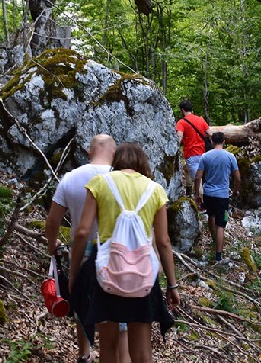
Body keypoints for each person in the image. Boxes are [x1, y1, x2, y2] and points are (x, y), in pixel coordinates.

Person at [69, 143, 180, 363]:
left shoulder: (100, 183)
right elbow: (164, 242)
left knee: (108, 348)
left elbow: (82, 232)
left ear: (116, 162)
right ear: (142, 163)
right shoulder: (155, 190)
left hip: (105, 273)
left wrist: (75, 275)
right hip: (142, 276)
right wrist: (172, 285)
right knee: (141, 353)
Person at [45, 134, 130, 363]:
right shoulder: (121, 178)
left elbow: (52, 222)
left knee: (83, 304)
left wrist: (52, 245)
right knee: (117, 317)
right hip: (116, 255)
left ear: (89, 151)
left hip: (81, 255)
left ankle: (85, 355)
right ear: (114, 152)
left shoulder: (70, 178)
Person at [194, 132, 241, 263]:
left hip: (208, 194)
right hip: (222, 195)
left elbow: (198, 177)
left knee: (211, 216)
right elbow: (237, 177)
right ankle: (218, 256)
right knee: (221, 225)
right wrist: (236, 191)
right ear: (224, 142)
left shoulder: (205, 156)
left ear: (212, 142)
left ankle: (214, 239)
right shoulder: (230, 156)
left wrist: (197, 194)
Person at [175, 100, 210, 192]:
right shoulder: (201, 120)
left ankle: (201, 204)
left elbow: (179, 137)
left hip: (191, 154)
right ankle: (189, 189)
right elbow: (210, 133)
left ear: (182, 110)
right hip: (203, 154)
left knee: (198, 181)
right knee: (186, 168)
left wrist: (174, 149)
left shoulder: (181, 122)